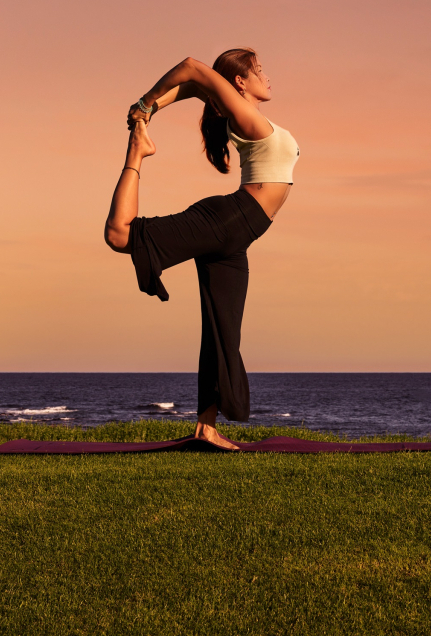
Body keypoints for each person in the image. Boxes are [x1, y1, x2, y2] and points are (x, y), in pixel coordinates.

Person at [104, 49, 300, 450]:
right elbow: (193, 69)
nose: (267, 77)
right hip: (229, 220)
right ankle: (136, 156)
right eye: (258, 70)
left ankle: (206, 428)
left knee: (221, 329)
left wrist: (151, 109)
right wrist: (144, 104)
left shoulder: (245, 117)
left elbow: (194, 87)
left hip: (237, 235)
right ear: (239, 82)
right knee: (120, 235)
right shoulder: (248, 119)